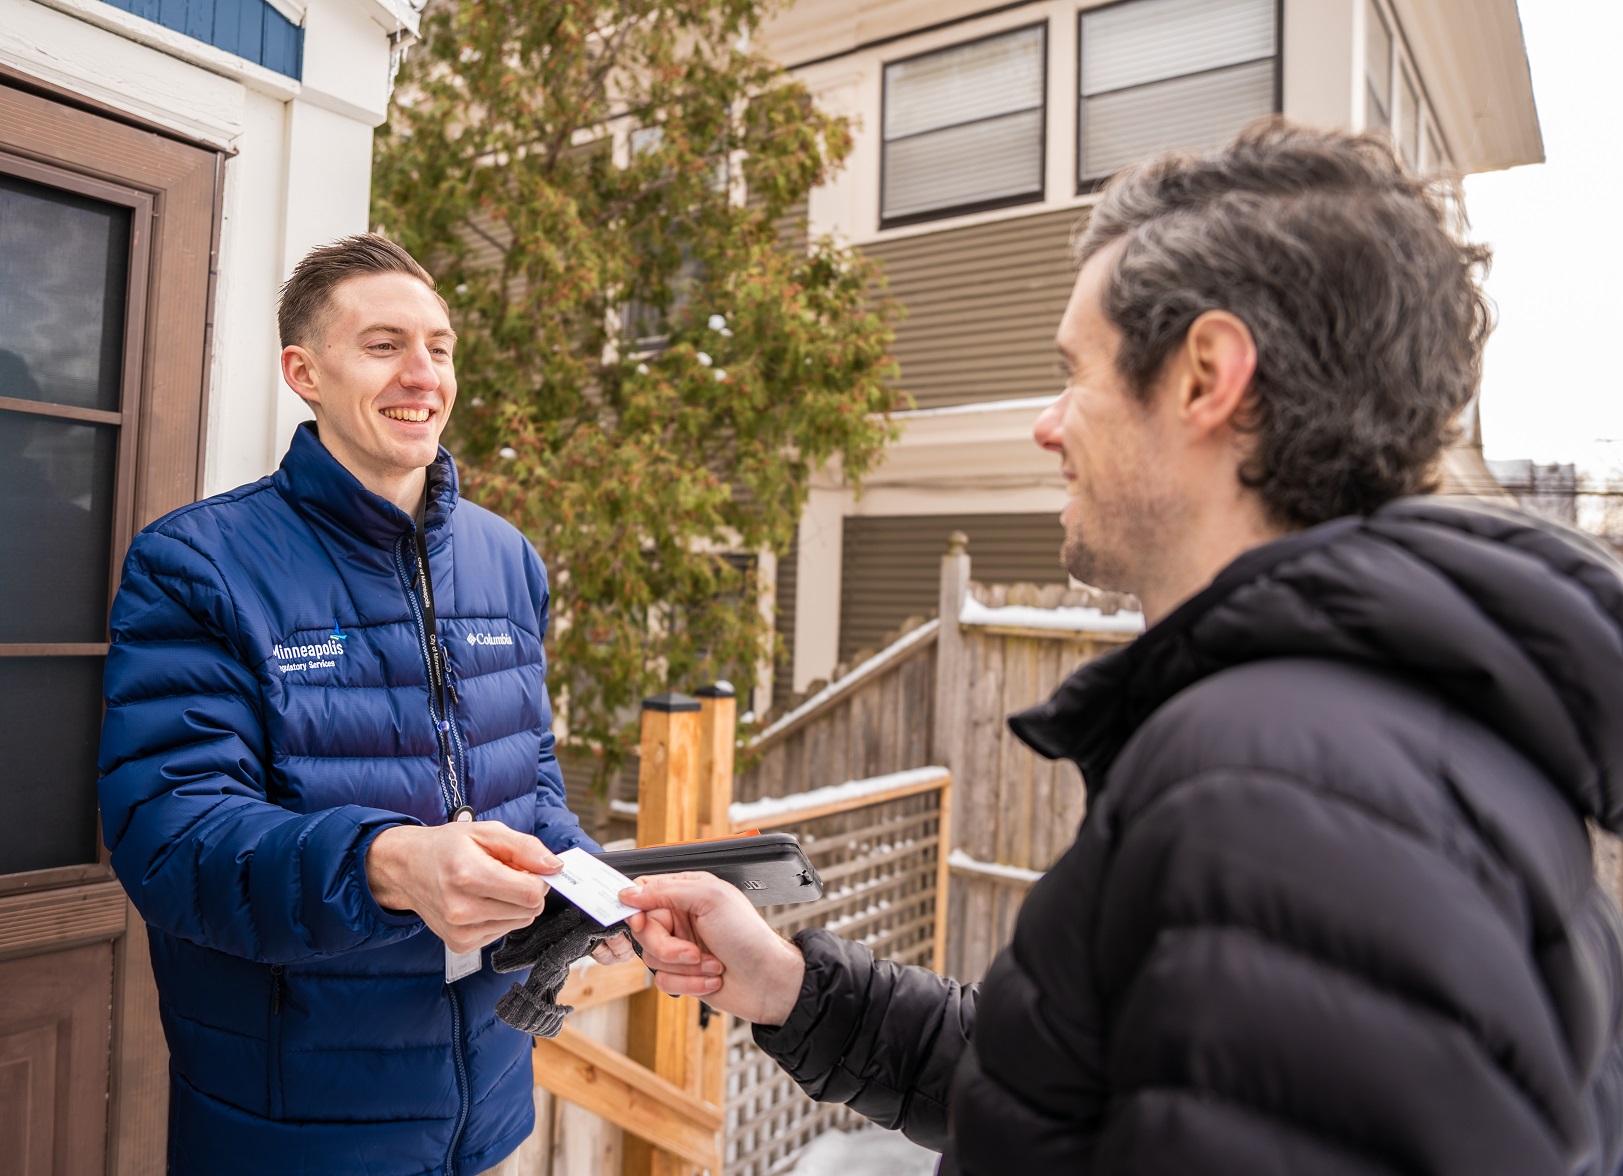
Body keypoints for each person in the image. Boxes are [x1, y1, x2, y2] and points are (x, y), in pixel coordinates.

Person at [621, 122, 1623, 1175]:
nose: (1049, 424)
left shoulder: (1278, 796)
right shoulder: (1385, 730)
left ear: (1205, 376)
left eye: (1076, 372)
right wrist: (787, 984)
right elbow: (1078, 1099)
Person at [97, 234, 630, 1175]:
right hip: (297, 1125)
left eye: (440, 346)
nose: (422, 374)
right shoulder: (198, 565)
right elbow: (172, 840)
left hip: (492, 1104)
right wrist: (391, 864)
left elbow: (532, 785)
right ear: (303, 372)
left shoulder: (508, 559)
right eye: (384, 345)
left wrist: (606, 896)